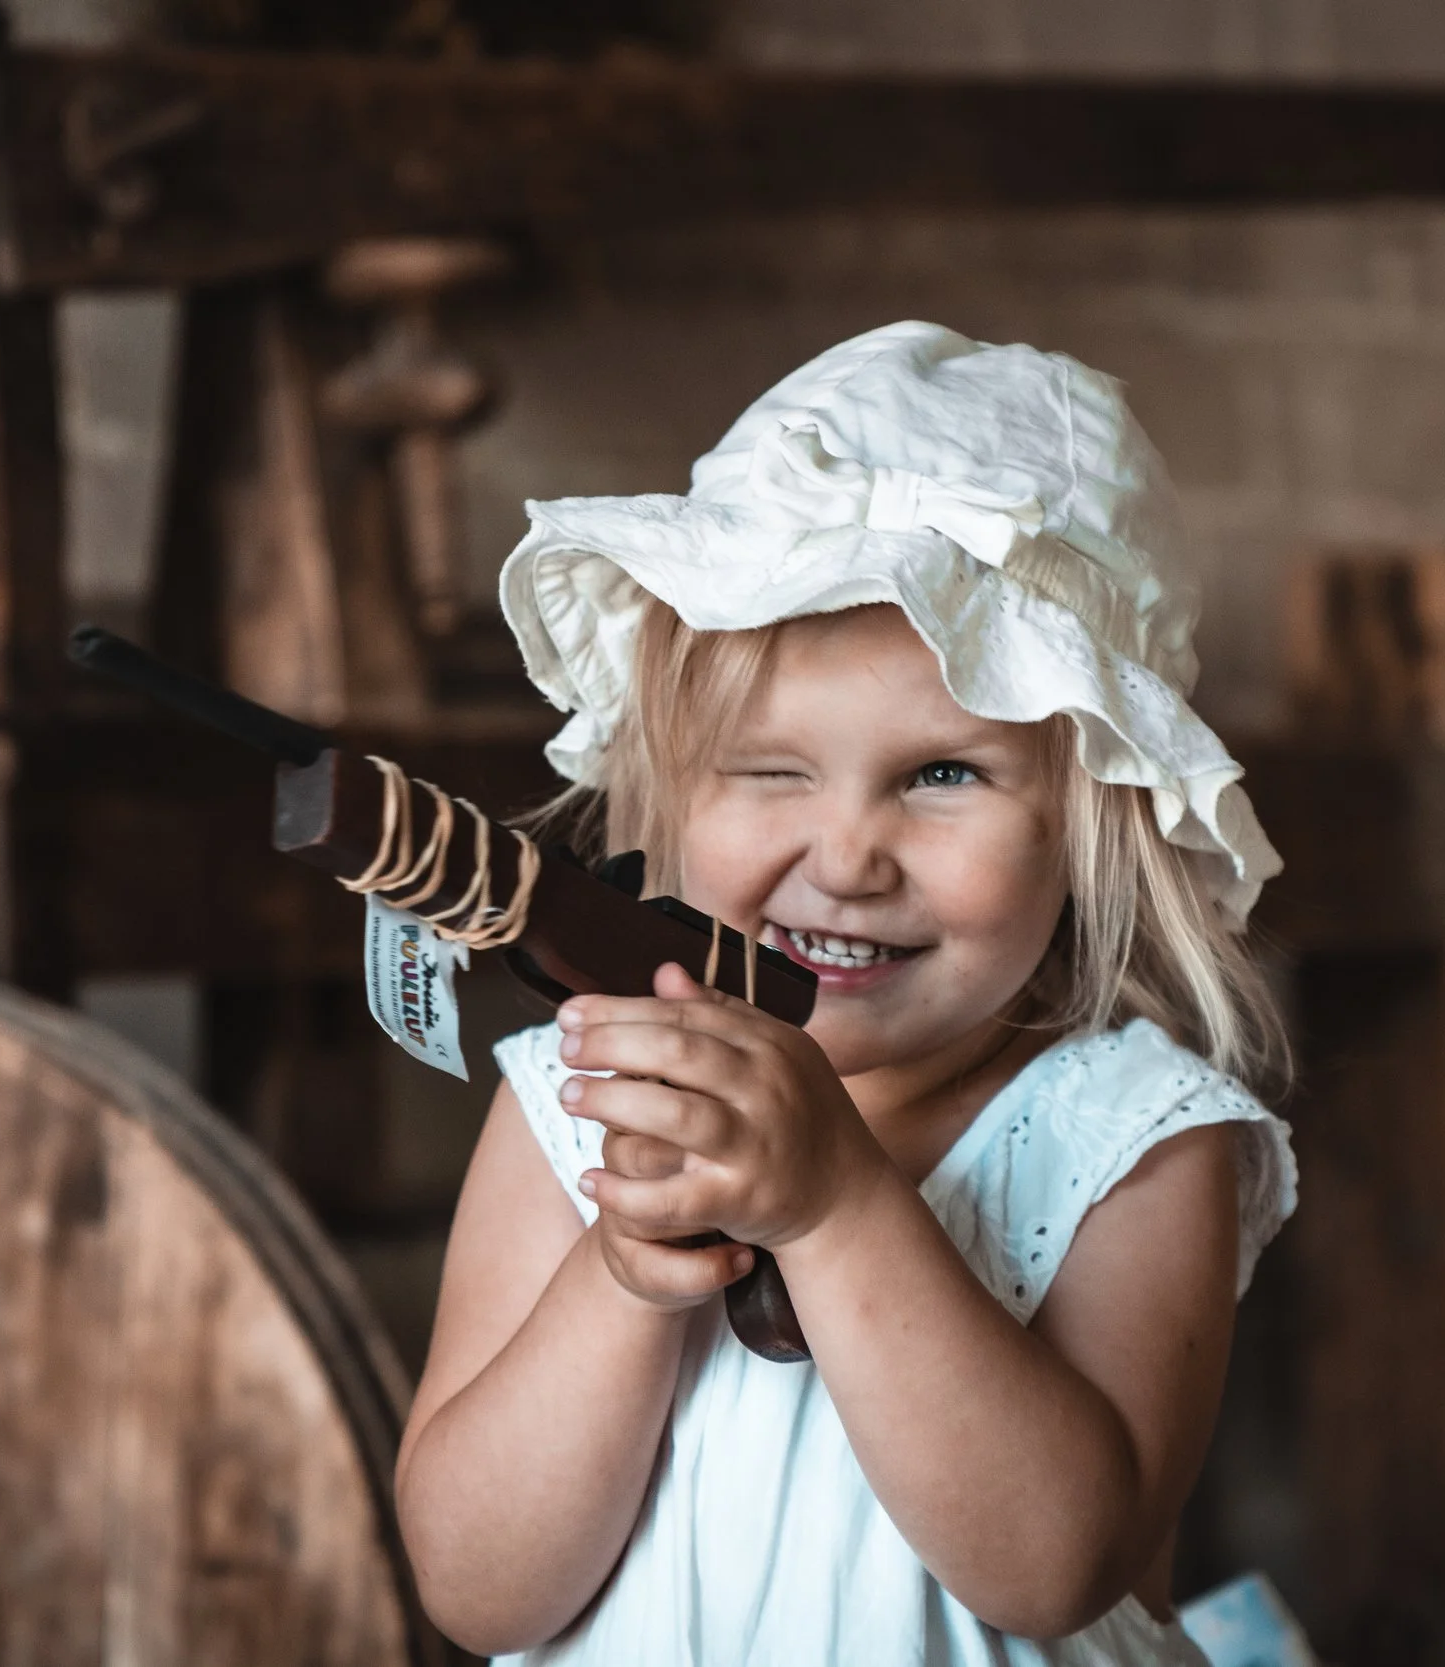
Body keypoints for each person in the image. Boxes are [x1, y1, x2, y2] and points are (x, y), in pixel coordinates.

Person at [393, 321, 1298, 1665]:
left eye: (944, 775)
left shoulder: (1138, 1137)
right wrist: (626, 1272)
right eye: (770, 769)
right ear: (675, 793)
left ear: (1091, 815)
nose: (847, 856)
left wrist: (834, 1201)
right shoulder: (581, 1103)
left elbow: (1052, 1563)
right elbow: (475, 1585)